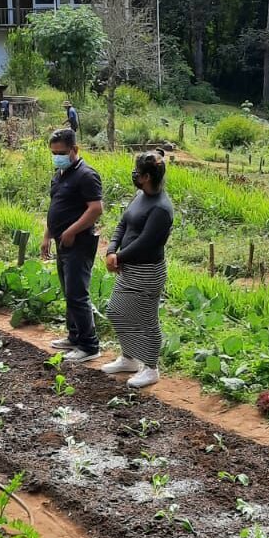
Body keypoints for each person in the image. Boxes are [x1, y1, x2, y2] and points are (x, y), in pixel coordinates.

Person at [102, 151, 174, 389]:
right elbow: (123, 223)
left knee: (146, 320)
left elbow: (146, 242)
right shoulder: (140, 196)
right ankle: (129, 358)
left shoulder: (162, 209)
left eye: (137, 172)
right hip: (129, 267)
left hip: (147, 271)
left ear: (146, 176)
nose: (133, 175)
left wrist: (118, 257)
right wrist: (111, 249)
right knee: (116, 311)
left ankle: (151, 368)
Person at [41, 128, 103, 361]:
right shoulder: (60, 174)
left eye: (61, 152)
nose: (57, 156)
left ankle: (89, 346)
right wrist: (48, 235)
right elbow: (55, 207)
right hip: (62, 241)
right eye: (54, 152)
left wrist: (71, 230)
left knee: (78, 293)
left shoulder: (86, 175)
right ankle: (74, 336)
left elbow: (96, 209)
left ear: (75, 150)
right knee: (69, 291)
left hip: (80, 242)